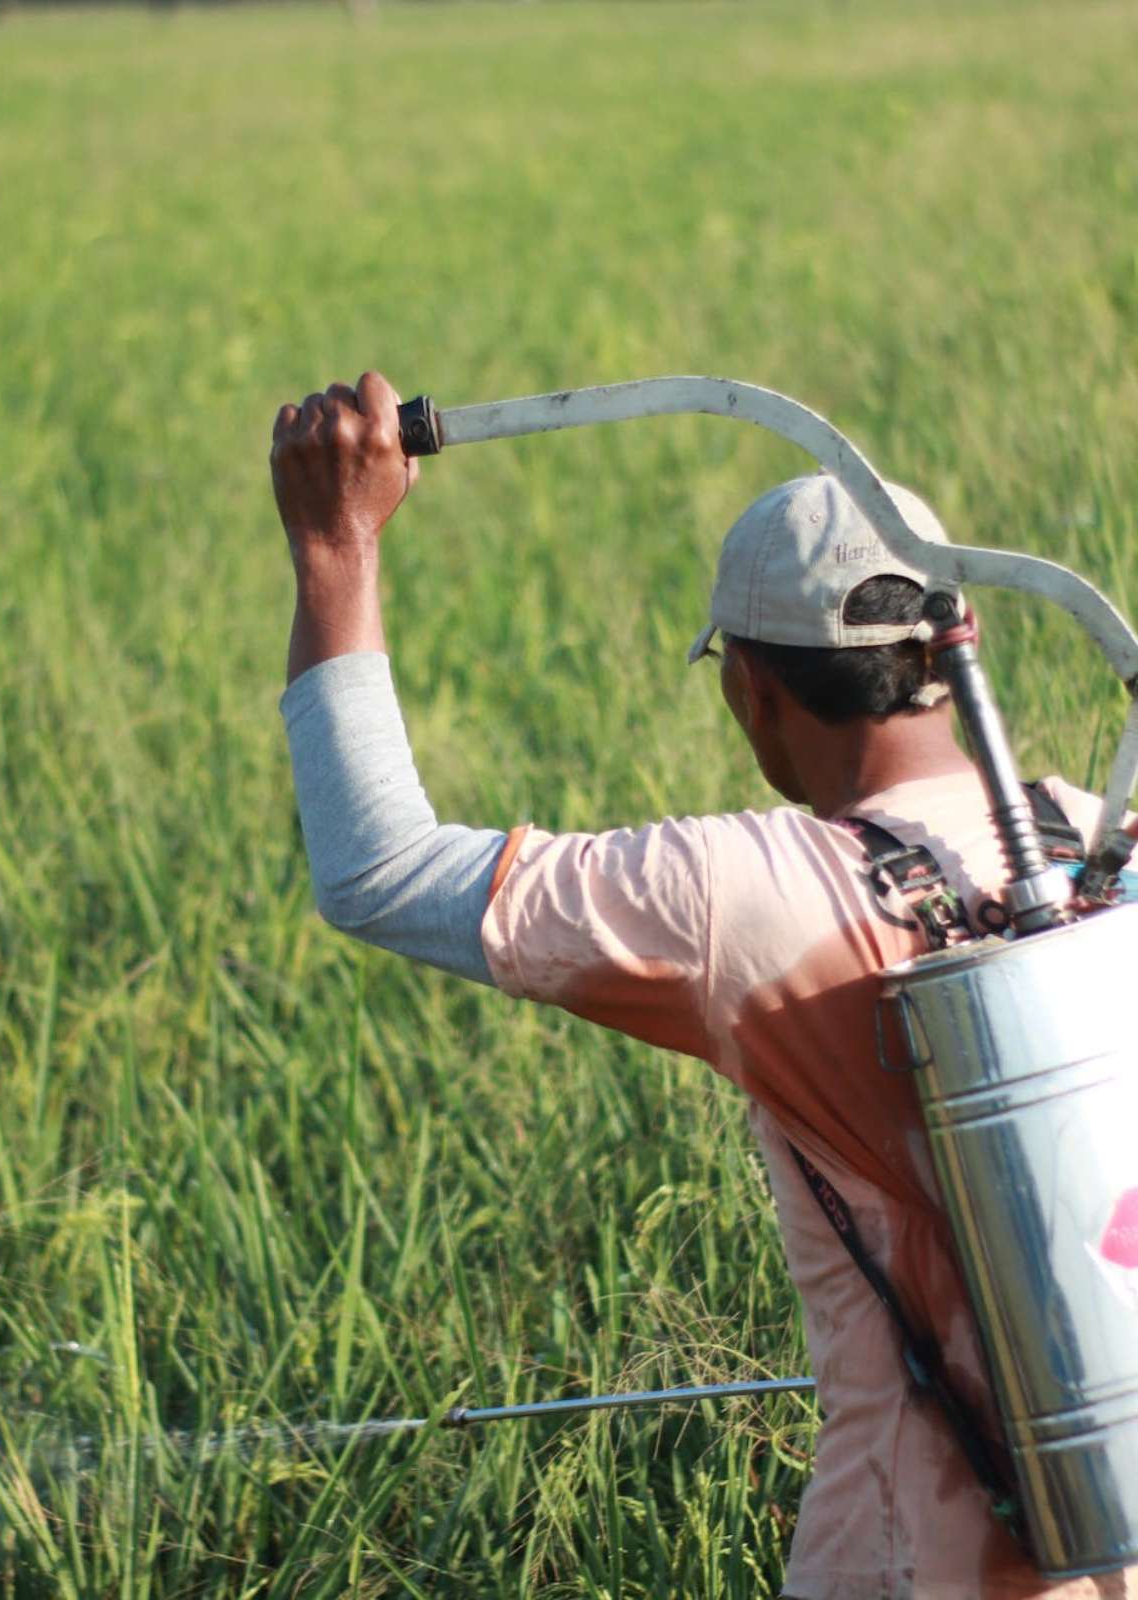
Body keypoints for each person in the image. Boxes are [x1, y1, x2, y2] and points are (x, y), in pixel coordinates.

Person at [270, 371, 1137, 1600]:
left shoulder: (747, 891)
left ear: (752, 689)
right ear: (942, 655)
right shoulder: (1105, 844)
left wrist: (334, 544)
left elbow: (376, 869)